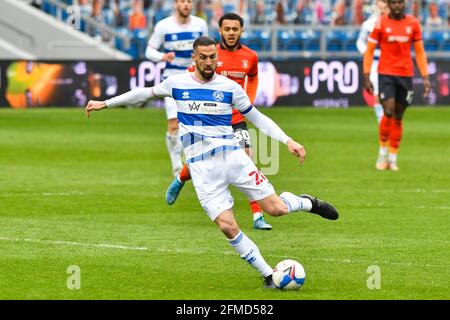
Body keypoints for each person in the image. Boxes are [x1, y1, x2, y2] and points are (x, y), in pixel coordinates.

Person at [85, 36, 339, 288]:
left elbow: (258, 117)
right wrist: (105, 103)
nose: (209, 62)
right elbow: (143, 94)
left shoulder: (229, 88)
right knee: (227, 226)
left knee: (276, 209)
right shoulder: (176, 83)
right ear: (194, 58)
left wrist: (288, 141)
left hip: (233, 159)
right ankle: (268, 275)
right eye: (203, 57)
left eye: (212, 57)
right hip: (202, 169)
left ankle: (307, 203)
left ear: (217, 57)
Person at [165, 13, 272, 231]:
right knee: (203, 158)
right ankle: (180, 179)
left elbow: (253, 76)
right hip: (209, 119)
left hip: (235, 118)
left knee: (247, 159)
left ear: (242, 31)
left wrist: (247, 101)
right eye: (227, 29)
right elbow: (189, 77)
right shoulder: (210, 54)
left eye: (235, 29)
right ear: (220, 31)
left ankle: (257, 215)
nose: (231, 33)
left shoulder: (250, 56)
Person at [363, 0, 431, 171]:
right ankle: (382, 154)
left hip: (406, 76)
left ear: (404, 4)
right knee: (388, 111)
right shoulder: (380, 23)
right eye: (393, 3)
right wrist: (366, 75)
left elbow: (420, 52)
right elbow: (369, 50)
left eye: (400, 2)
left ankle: (392, 159)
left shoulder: (413, 24)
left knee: (399, 116)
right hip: (386, 74)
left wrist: (425, 76)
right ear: (389, 5)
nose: (397, 6)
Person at [145, 0, 208, 177]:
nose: (186, 4)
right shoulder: (164, 25)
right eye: (183, 1)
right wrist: (162, 56)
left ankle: (195, 161)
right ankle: (176, 165)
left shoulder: (200, 24)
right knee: (174, 124)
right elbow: (149, 51)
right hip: (172, 80)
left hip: (195, 80)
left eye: (189, 1)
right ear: (176, 4)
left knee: (197, 123)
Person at [356, 0, 389, 124]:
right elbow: (360, 41)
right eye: (382, 2)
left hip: (391, 63)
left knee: (391, 94)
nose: (383, 5)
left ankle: (388, 120)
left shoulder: (394, 23)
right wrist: (366, 52)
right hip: (375, 63)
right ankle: (381, 122)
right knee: (377, 93)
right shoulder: (368, 24)